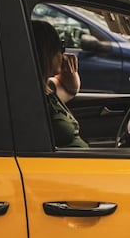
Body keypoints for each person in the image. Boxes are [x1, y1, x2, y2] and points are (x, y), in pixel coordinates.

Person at [32, 20, 88, 148]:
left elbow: (71, 89)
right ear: (47, 52)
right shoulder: (31, 94)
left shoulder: (46, 87)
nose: (64, 54)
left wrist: (71, 71)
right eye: (61, 47)